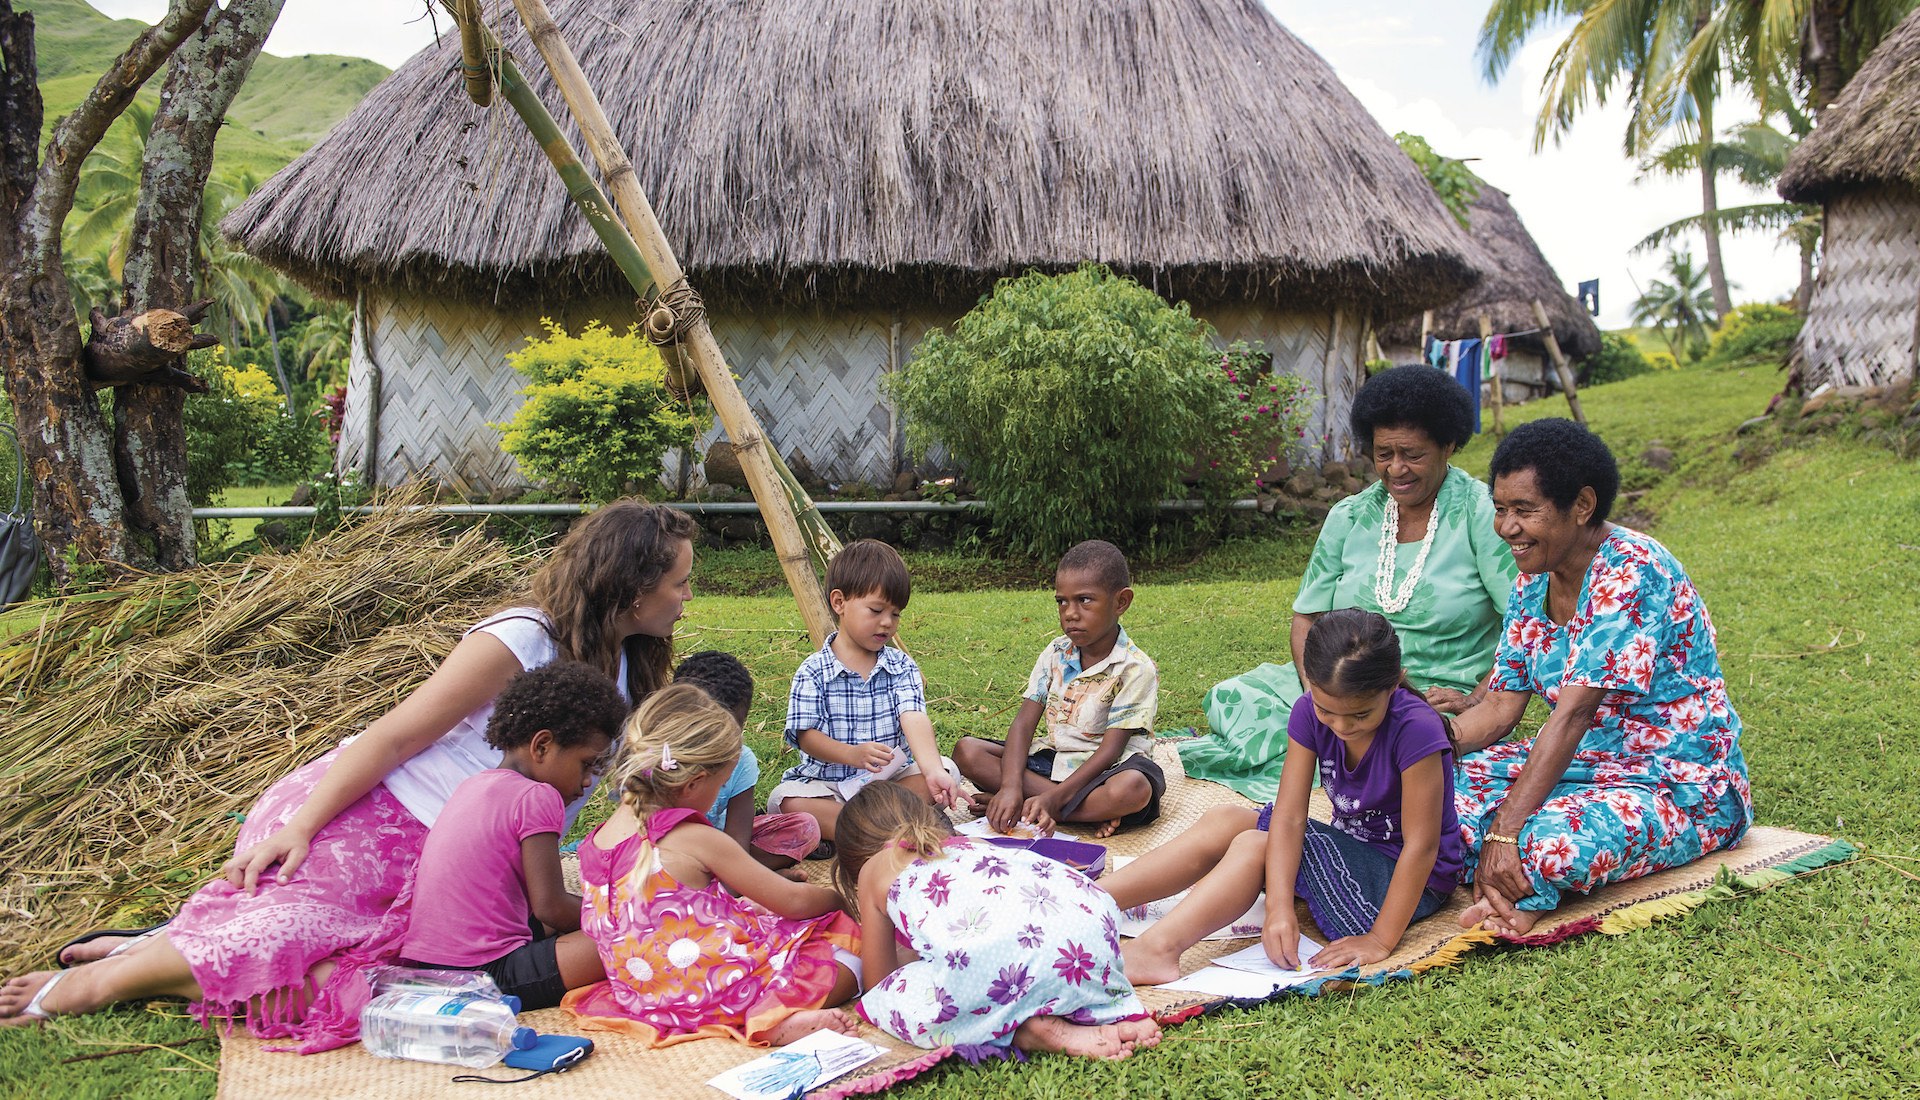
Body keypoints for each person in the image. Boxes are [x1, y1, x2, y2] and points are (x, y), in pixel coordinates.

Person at [0, 501, 696, 1049]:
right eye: (680, 582)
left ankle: (160, 952)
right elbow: (395, 737)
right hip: (377, 819)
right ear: (633, 589)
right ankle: (94, 987)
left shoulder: (628, 664)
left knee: (360, 981)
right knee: (288, 943)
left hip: (456, 854)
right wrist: (303, 827)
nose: (688, 597)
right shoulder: (521, 639)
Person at [1450, 418, 1751, 935]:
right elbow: (1500, 707)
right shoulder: (1532, 580)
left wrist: (1504, 830)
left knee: (1546, 843)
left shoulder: (1632, 570)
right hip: (1583, 764)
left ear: (1582, 506)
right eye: (1501, 509)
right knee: (1430, 791)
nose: (1506, 527)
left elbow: (1574, 712)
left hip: (1673, 778)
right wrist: (1422, 743)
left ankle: (1516, 882)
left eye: (1525, 510)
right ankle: (1504, 877)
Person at [1181, 365, 1517, 801]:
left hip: (1428, 693)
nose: (1397, 469)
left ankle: (1341, 757)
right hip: (1336, 680)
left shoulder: (1482, 515)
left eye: (1412, 454)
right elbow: (1307, 617)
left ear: (1448, 444)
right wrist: (1319, 696)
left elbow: (1526, 630)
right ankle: (1346, 746)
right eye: (1383, 453)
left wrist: (1476, 698)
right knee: (1235, 698)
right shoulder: (1350, 515)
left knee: (1416, 737)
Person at [1111, 610, 1460, 984]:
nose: (1341, 727)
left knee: (1253, 845)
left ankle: (1158, 951)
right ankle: (1088, 899)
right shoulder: (1308, 712)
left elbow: (1422, 848)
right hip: (1353, 850)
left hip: (1408, 883)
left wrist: (1379, 939)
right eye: (1328, 711)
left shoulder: (1416, 728)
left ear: (1394, 685)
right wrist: (1278, 909)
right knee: (1226, 818)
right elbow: (1290, 816)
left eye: (1359, 715)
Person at [563, 683, 861, 1047]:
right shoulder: (695, 839)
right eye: (720, 785)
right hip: (717, 994)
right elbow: (795, 902)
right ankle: (772, 1016)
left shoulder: (599, 838)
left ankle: (768, 1012)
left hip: (645, 997)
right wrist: (840, 900)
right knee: (847, 947)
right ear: (695, 783)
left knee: (758, 916)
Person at [836, 782, 1161, 1060]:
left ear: (854, 862)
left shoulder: (874, 870)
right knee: (1033, 962)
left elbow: (879, 982)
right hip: (1089, 939)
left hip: (1001, 965)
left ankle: (1021, 1029)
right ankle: (1111, 1009)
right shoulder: (970, 843)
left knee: (887, 1000)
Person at [396, 662, 627, 1008]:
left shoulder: (473, 785)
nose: (585, 783)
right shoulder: (538, 796)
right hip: (484, 975)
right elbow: (550, 908)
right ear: (542, 746)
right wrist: (619, 916)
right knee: (630, 936)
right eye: (585, 764)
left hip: (427, 966)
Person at [953, 539, 1165, 838]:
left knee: (1132, 789)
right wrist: (1012, 786)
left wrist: (1053, 798)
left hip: (1107, 772)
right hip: (1054, 761)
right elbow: (1024, 724)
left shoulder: (1134, 668)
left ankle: (1044, 806)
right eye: (1061, 601)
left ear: (1121, 602)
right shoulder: (1056, 652)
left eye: (1085, 600)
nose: (1070, 613)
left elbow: (1110, 751)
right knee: (968, 752)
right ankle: (1073, 812)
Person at [768, 539, 959, 842]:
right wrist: (852, 755)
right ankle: (888, 828)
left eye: (896, 614)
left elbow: (914, 717)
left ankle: (859, 832)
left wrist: (933, 768)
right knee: (784, 801)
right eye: (876, 610)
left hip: (888, 786)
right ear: (839, 602)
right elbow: (806, 736)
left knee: (946, 772)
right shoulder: (813, 671)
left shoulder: (901, 666)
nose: (887, 623)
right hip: (830, 787)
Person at [672, 650, 821, 879]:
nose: (723, 741)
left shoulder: (741, 760)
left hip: (724, 848)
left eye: (734, 729)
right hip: (670, 855)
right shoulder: (661, 760)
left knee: (805, 826)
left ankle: (739, 880)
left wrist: (744, 882)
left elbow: (737, 844)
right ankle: (749, 880)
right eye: (709, 729)